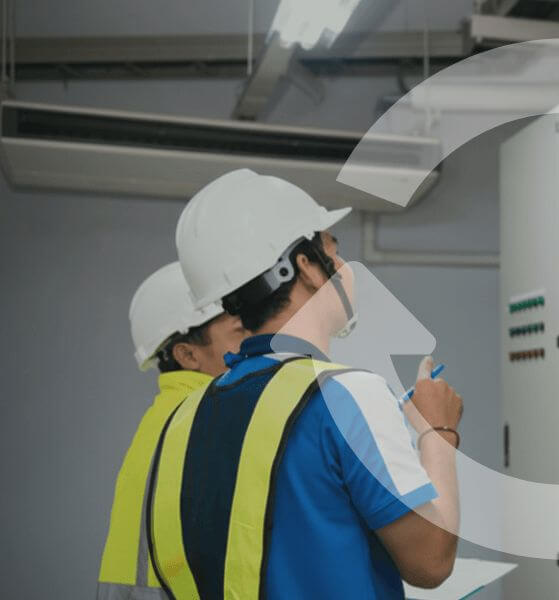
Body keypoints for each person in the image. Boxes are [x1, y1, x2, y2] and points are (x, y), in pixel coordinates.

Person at [148, 169, 463, 599]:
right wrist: (437, 432)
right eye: (333, 247)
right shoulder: (347, 394)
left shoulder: (187, 415)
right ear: (307, 267)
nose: (342, 265)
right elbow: (431, 562)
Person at [98, 262, 248, 599]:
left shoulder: (165, 416)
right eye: (239, 333)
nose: (255, 341)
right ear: (188, 355)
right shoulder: (209, 417)